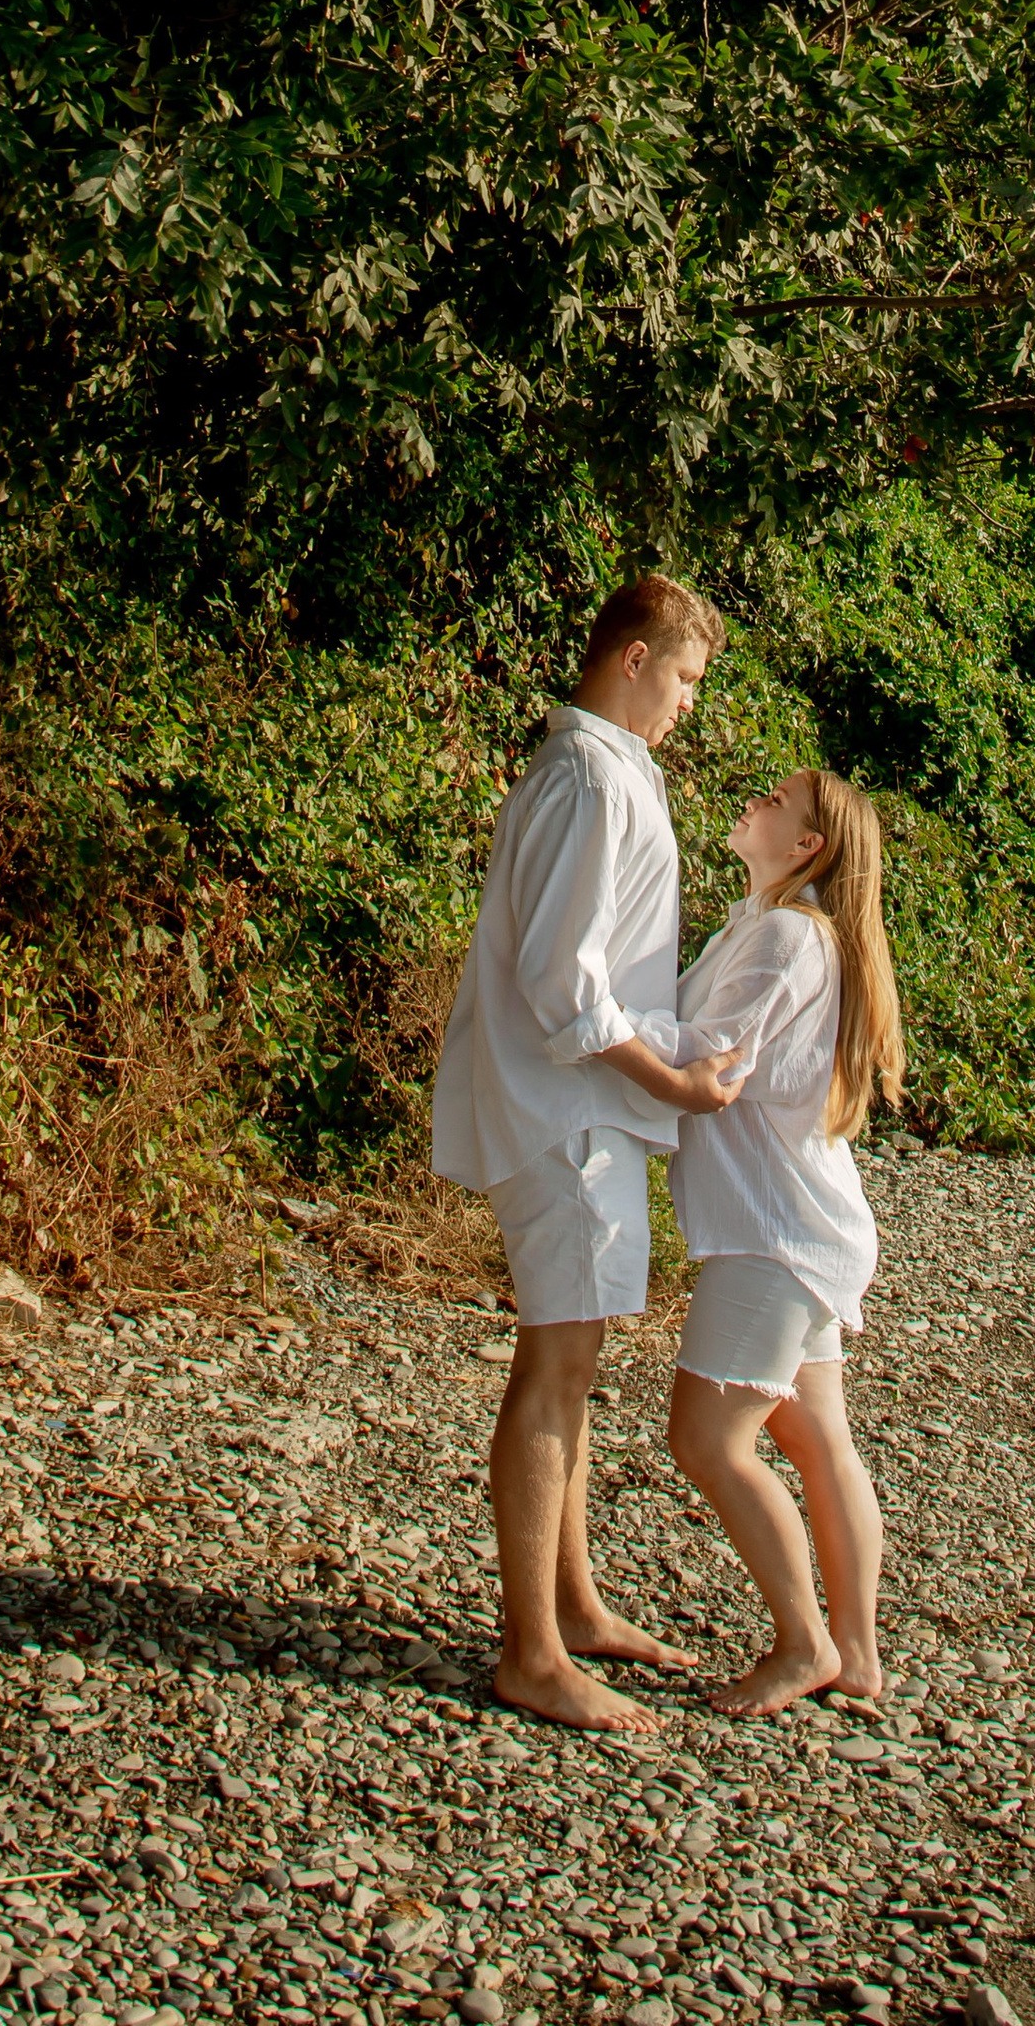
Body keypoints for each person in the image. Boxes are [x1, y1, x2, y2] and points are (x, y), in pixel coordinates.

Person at [431, 572, 745, 1732]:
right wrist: (674, 1083)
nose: (688, 703)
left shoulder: (611, 772)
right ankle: (531, 1654)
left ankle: (572, 1609)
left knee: (573, 1358)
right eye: (684, 678)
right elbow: (562, 980)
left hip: (582, 1113)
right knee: (555, 1365)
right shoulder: (587, 779)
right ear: (633, 658)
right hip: (563, 1115)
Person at [665, 764, 905, 1716]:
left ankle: (804, 1644)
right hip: (806, 1226)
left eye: (776, 801)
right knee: (815, 1437)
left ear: (808, 845)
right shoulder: (773, 925)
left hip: (773, 1236)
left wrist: (590, 1027)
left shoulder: (786, 936)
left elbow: (711, 1056)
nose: (754, 799)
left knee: (708, 1438)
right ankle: (858, 1655)